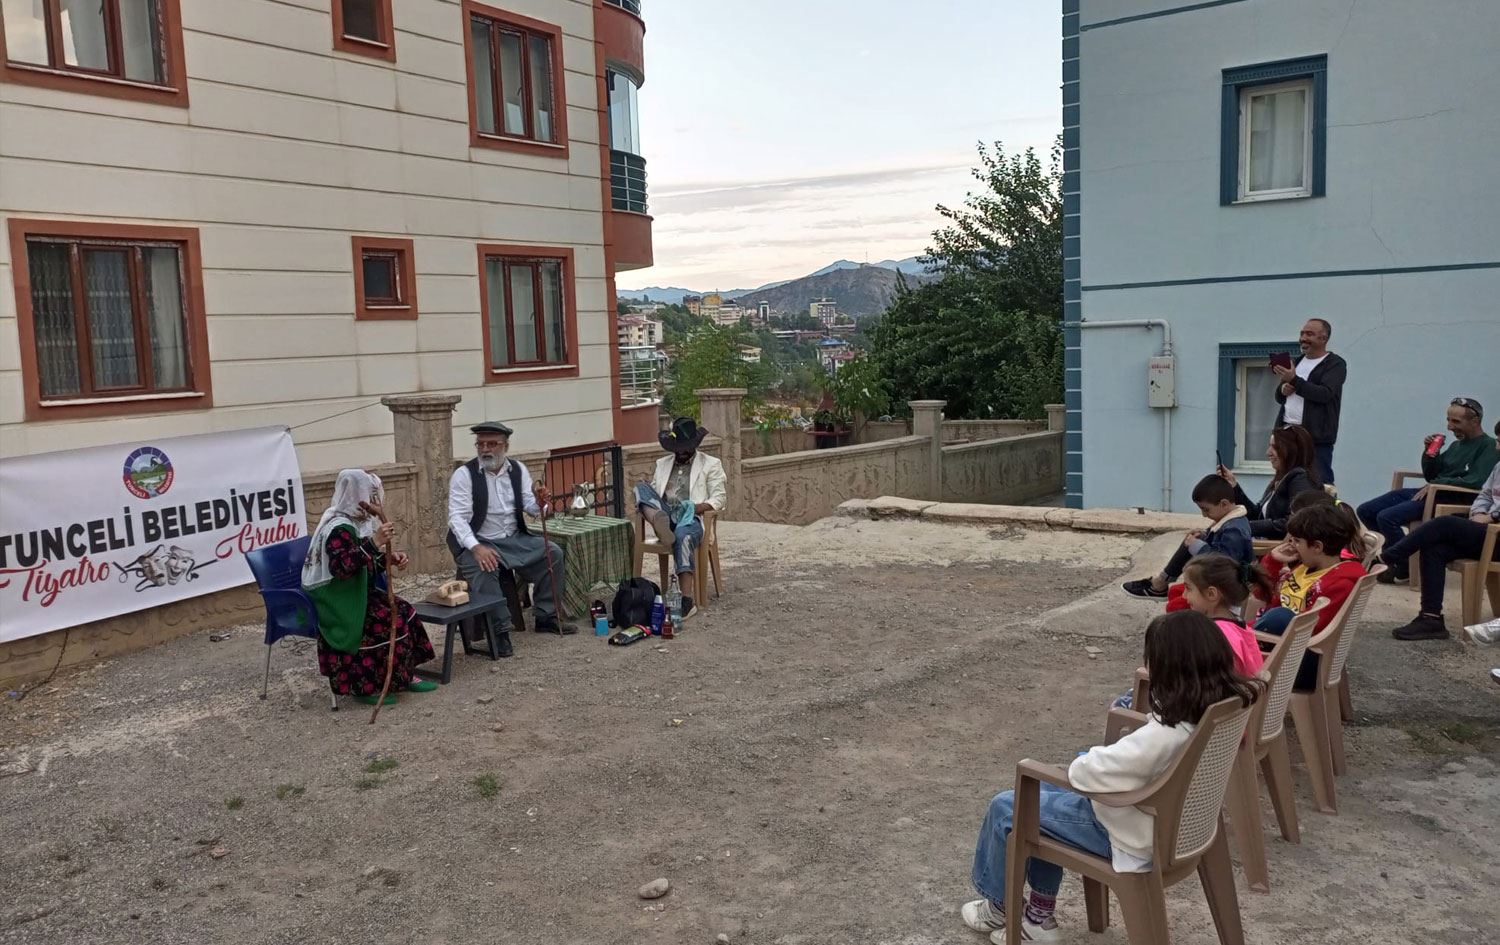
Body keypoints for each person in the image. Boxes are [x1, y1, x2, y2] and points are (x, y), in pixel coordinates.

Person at [961, 611, 1263, 942]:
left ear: (1168, 669)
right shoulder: (1220, 710)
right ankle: (1038, 915)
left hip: (1125, 832)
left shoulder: (1163, 736)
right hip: (1174, 827)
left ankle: (1002, 907)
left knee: (1010, 806)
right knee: (1041, 798)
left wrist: (1086, 758)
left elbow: (1084, 774)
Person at [302, 469, 437, 706]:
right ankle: (366, 687)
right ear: (355, 496)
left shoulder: (357, 524)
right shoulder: (338, 528)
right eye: (369, 496)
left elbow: (365, 565)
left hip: (355, 592)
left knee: (404, 609)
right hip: (337, 598)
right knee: (384, 620)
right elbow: (342, 568)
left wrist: (388, 559)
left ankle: (403, 676)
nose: (374, 503)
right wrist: (375, 543)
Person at [447, 421, 571, 658]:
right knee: (486, 567)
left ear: (505, 446)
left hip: (514, 539)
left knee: (553, 552)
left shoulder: (518, 470)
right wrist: (476, 547)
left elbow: (532, 508)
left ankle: (546, 616)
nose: (485, 449)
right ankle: (499, 631)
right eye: (480, 444)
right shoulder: (464, 475)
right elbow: (457, 519)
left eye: (492, 444)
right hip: (479, 540)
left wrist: (541, 502)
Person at [1357, 397, 1499, 584]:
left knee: (1387, 517)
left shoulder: (1489, 445)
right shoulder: (1456, 446)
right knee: (1366, 510)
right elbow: (1431, 475)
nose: (1449, 427)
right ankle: (1398, 561)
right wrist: (1430, 454)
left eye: (1456, 421)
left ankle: (1402, 566)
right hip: (1430, 491)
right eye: (1448, 420)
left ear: (1475, 421)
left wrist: (1437, 483)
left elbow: (1476, 481)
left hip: (1449, 498)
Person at [1380, 421, 1500, 641]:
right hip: (1484, 531)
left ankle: (1387, 557)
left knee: (1444, 524)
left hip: (1497, 536)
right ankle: (1431, 618)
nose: (1497, 445)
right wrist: (1478, 513)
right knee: (1434, 547)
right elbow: (1484, 495)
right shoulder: (1499, 467)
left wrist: (1492, 516)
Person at [1254, 504, 1367, 690]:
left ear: (1317, 546)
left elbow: (1309, 630)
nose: (1292, 545)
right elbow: (1261, 595)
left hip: (1298, 661)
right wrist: (1273, 561)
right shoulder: (1307, 567)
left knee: (1279, 617)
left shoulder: (1339, 583)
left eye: (1297, 541)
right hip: (1281, 647)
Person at [635, 417, 728, 614]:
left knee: (682, 536)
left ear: (695, 445)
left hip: (691, 517)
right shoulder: (662, 464)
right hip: (666, 513)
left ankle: (686, 600)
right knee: (640, 488)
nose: (683, 452)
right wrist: (651, 504)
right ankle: (659, 521)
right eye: (679, 448)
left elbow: (719, 498)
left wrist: (695, 508)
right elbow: (653, 493)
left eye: (687, 448)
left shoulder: (711, 464)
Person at [1122, 475, 1251, 599]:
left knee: (1177, 603)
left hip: (1231, 587)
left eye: (1206, 509)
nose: (1204, 515)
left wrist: (1198, 547)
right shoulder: (1229, 522)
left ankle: (1160, 585)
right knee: (1194, 538)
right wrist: (1203, 537)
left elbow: (1225, 563)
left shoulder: (1234, 529)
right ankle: (1161, 582)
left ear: (1224, 504)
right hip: (1221, 581)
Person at [1273, 317, 1346, 484]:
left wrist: (1294, 380)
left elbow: (1325, 394)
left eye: (1309, 334)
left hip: (1315, 438)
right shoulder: (1297, 361)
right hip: (1288, 434)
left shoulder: (1335, 364)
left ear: (1324, 338)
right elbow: (1279, 397)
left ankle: (1326, 503)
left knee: (1319, 482)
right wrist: (1283, 389)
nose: (1303, 338)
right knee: (1286, 482)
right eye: (1302, 334)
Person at [1217, 425, 1322, 539]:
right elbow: (1257, 515)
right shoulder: (1282, 478)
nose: (1268, 453)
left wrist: (1247, 527)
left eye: (1275, 447)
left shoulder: (1301, 479)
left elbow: (1296, 521)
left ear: (1292, 450)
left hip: (1280, 547)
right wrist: (1234, 486)